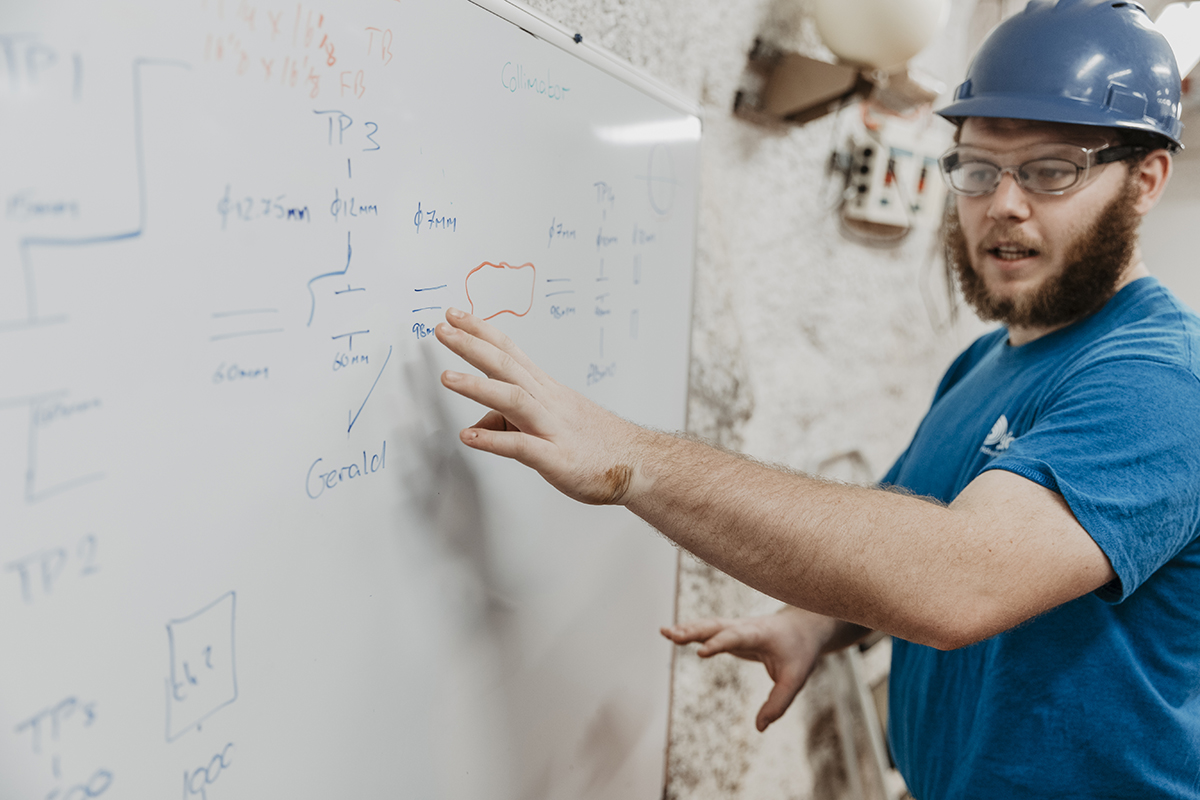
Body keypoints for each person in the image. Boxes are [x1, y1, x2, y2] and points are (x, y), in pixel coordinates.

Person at [435, 0, 1200, 796]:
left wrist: (631, 457)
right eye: (977, 168)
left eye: (1050, 170)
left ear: (1145, 180)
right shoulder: (987, 360)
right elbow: (910, 529)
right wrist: (812, 624)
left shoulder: (1163, 383)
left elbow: (957, 578)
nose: (1002, 203)